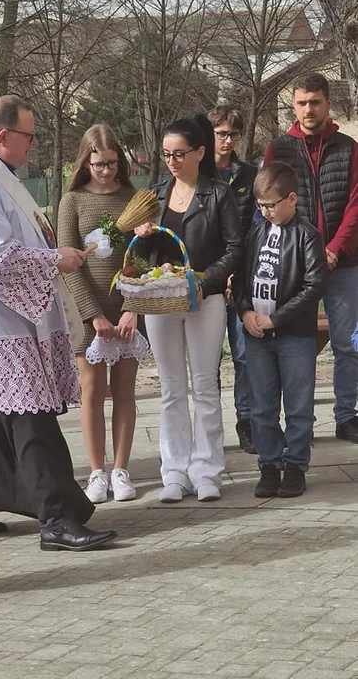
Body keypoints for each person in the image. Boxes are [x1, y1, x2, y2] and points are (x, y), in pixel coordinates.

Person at [0, 95, 117, 551]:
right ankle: (56, 519)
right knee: (30, 420)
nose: (34, 145)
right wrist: (57, 259)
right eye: (29, 136)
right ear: (2, 136)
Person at [134, 115, 242, 502]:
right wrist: (142, 237)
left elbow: (234, 248)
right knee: (171, 388)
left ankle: (207, 469)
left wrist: (205, 279)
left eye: (179, 154)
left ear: (200, 152)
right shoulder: (157, 193)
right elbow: (144, 255)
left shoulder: (218, 193)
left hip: (204, 299)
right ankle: (175, 471)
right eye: (166, 154)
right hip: (161, 299)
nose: (172, 161)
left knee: (205, 385)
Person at [264, 73, 358, 442]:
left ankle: (347, 415)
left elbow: (355, 203)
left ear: (327, 103)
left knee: (348, 343)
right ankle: (297, 420)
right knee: (292, 344)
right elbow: (269, 204)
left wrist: (335, 249)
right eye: (302, 102)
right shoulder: (279, 149)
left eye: (315, 102)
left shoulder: (348, 148)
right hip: (294, 265)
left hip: (344, 262)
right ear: (293, 105)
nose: (308, 109)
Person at [233, 162, 328, 497]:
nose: (265, 211)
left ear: (292, 199)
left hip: (294, 335)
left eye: (271, 205)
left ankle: (296, 465)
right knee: (262, 405)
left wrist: (277, 319)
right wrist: (245, 311)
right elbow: (242, 278)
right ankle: (269, 464)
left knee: (299, 405)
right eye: (260, 205)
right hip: (256, 334)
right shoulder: (256, 233)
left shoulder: (307, 235)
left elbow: (313, 285)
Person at [57, 124, 140, 504]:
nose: (105, 171)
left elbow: (141, 260)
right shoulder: (71, 201)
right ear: (85, 162)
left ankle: (121, 469)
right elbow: (67, 264)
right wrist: (93, 315)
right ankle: (96, 472)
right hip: (87, 311)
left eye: (111, 163)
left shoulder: (133, 197)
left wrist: (130, 308)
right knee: (91, 392)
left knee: (124, 392)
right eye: (98, 164)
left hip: (124, 310)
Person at [208, 105, 258, 454]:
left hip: (242, 278)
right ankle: (209, 426)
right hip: (209, 277)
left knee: (244, 355)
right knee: (209, 358)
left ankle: (248, 421)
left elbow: (253, 229)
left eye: (234, 135)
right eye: (222, 133)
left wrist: (235, 275)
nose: (228, 140)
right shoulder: (199, 174)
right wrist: (217, 274)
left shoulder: (249, 175)